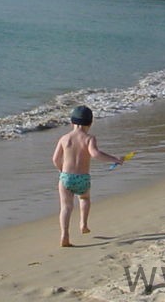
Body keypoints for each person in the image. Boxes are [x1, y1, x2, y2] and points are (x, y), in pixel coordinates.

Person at [52, 105, 123, 247]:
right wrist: (115, 159)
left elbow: (55, 159)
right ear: (90, 123)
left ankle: (64, 235)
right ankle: (83, 224)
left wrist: (61, 170)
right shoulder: (89, 138)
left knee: (66, 207)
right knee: (84, 198)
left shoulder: (65, 138)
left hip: (66, 177)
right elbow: (95, 154)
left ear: (72, 122)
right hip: (83, 178)